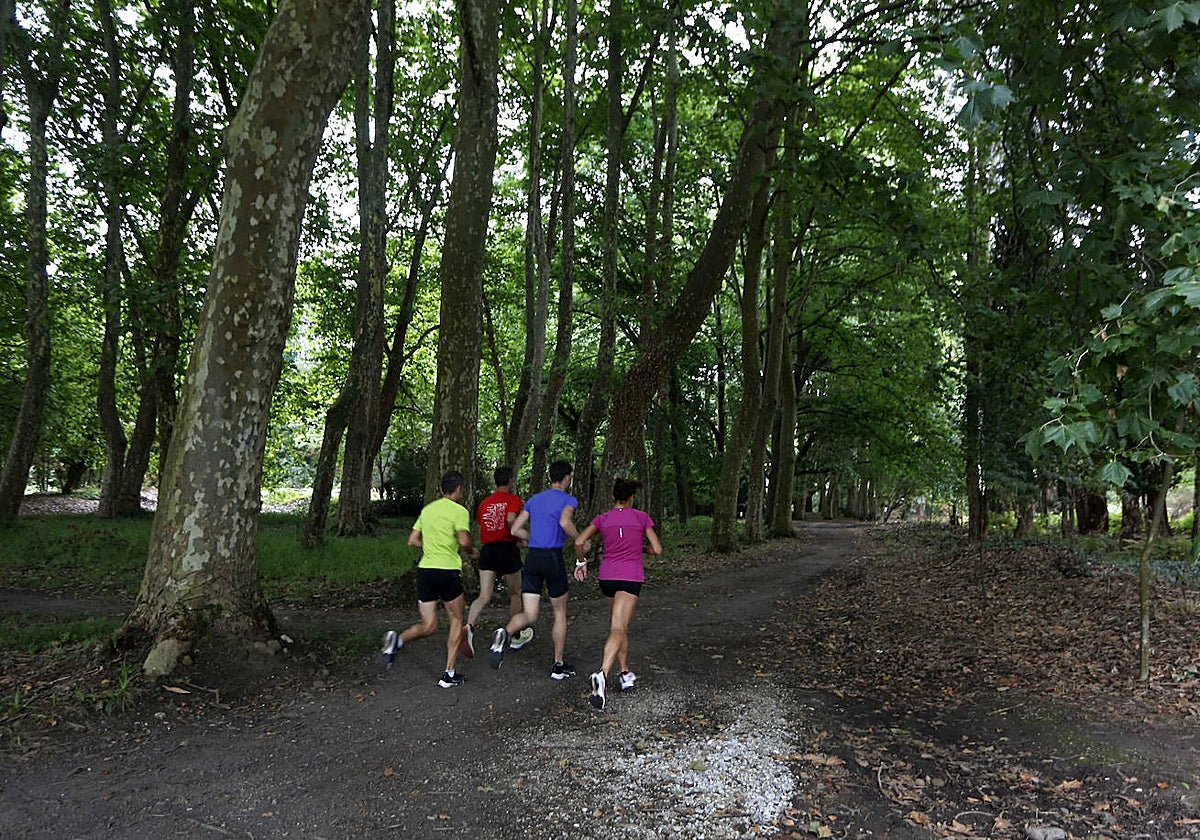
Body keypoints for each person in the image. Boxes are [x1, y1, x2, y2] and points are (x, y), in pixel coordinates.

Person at [381, 470, 478, 688]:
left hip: (425, 571)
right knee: (455, 619)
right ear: (460, 489)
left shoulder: (428, 510)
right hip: (447, 571)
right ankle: (448, 675)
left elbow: (412, 540)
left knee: (429, 625)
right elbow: (463, 540)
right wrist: (472, 550)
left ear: (442, 488)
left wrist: (432, 546)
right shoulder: (459, 511)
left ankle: (398, 640)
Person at [488, 459, 583, 679]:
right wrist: (580, 539)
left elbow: (514, 529)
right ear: (567, 478)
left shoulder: (534, 500)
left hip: (532, 558)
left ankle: (505, 633)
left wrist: (531, 538)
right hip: (552, 557)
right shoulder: (568, 499)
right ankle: (558, 666)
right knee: (559, 612)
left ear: (550, 477)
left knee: (529, 614)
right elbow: (565, 523)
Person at [574, 477, 663, 710]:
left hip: (607, 577)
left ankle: (624, 673)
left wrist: (580, 563)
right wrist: (641, 548)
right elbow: (657, 549)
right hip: (630, 577)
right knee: (618, 628)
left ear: (613, 497)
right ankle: (602, 675)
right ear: (631, 497)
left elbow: (580, 540)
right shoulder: (641, 517)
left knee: (619, 626)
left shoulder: (603, 518)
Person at [462, 466, 534, 657]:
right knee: (515, 593)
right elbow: (511, 521)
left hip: (488, 550)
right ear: (510, 481)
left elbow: (483, 528)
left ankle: (469, 626)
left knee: (484, 595)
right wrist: (524, 537)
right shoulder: (513, 500)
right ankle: (515, 634)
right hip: (507, 550)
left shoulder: (484, 503)